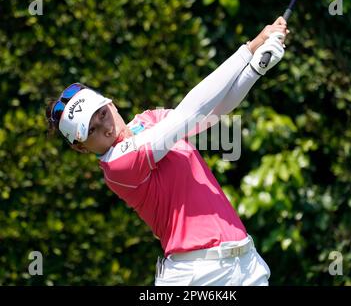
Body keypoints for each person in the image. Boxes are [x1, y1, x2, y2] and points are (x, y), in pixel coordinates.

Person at [46, 17, 288, 286]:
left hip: (246, 264)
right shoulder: (118, 165)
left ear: (111, 104)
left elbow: (210, 113)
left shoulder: (148, 120)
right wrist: (251, 47)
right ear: (81, 148)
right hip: (197, 276)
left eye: (102, 113)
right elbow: (189, 112)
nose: (106, 127)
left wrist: (256, 68)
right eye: (91, 130)